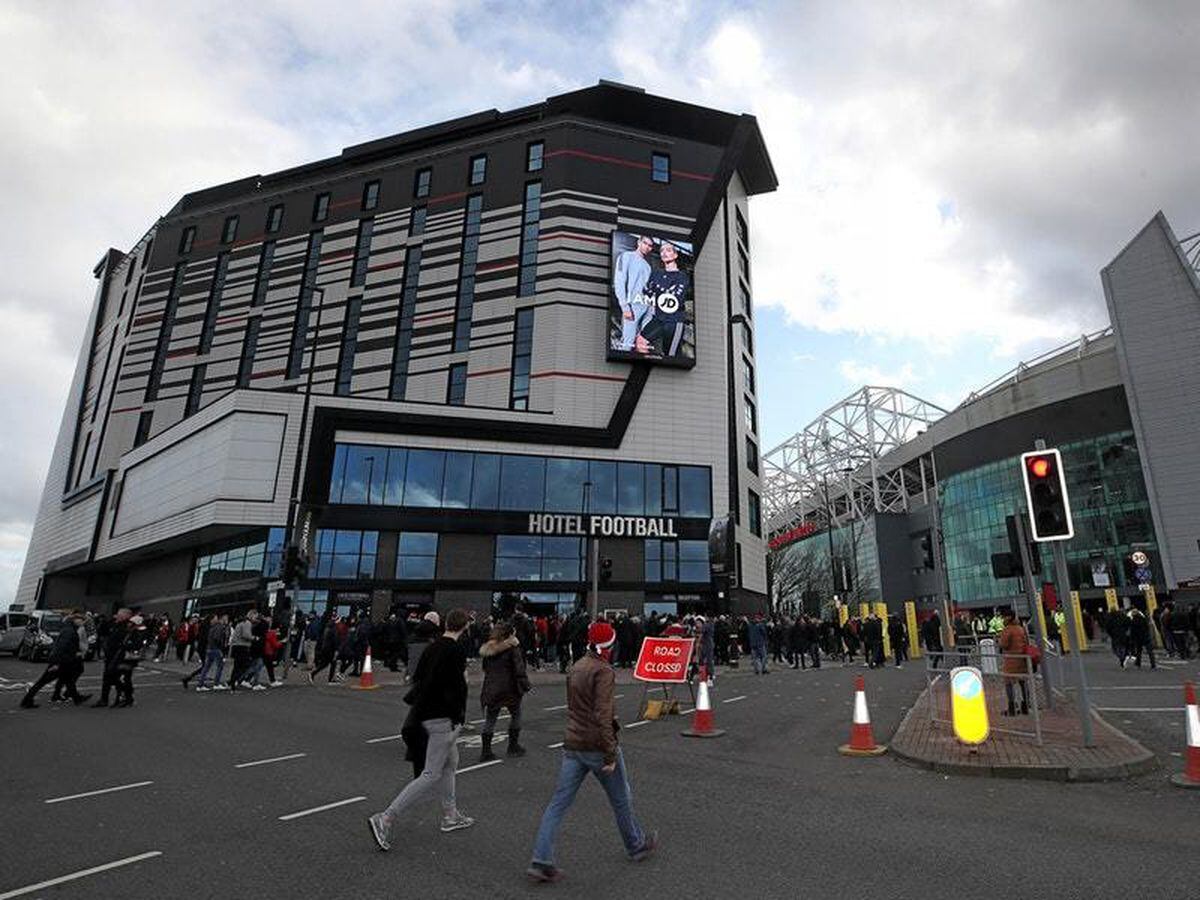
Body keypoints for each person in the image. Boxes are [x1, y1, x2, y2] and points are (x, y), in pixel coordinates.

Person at [525, 621, 657, 883]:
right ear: (608, 646)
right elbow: (603, 714)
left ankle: (541, 859)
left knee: (558, 803)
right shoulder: (603, 671)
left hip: (573, 744)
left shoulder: (577, 667)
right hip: (597, 744)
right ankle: (636, 845)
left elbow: (574, 707)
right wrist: (609, 753)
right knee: (621, 798)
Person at [367, 609, 475, 851]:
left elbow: (420, 678)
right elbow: (457, 687)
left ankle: (450, 814)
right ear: (465, 627)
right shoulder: (456, 650)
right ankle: (385, 818)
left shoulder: (433, 647)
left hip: (425, 713)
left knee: (450, 764)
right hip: (443, 717)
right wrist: (458, 717)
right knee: (432, 773)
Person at [478, 621, 531, 763]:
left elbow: (485, 668)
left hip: (491, 687)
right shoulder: (513, 649)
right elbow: (519, 669)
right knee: (516, 714)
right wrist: (525, 685)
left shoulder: (489, 650)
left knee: (491, 718)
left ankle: (486, 751)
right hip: (510, 687)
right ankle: (513, 746)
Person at [20, 610, 90, 708]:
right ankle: (26, 701)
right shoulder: (69, 631)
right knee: (43, 681)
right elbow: (61, 647)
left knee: (68, 680)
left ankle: (76, 698)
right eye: (81, 620)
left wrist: (74, 653)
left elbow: (67, 647)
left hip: (64, 661)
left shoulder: (69, 629)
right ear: (75, 620)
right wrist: (56, 663)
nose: (83, 622)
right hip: (61, 661)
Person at [636, 241, 690, 358]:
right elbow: (647, 292)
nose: (664, 253)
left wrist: (657, 289)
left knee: (670, 356)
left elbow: (674, 298)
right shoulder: (656, 273)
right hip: (658, 319)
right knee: (640, 342)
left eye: (668, 250)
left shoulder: (682, 276)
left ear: (675, 255)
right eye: (662, 251)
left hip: (674, 322)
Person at [613, 234, 654, 351]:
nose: (647, 247)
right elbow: (619, 281)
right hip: (633, 306)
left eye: (650, 246)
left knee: (643, 344)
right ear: (639, 242)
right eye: (645, 243)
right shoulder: (626, 256)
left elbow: (648, 288)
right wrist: (625, 307)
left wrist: (651, 307)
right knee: (628, 343)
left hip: (647, 308)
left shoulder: (648, 267)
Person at [93, 608, 133, 707]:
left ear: (125, 616)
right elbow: (103, 630)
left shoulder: (127, 627)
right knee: (107, 678)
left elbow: (128, 643)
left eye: (119, 615)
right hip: (111, 656)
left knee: (115, 678)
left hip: (119, 657)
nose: (117, 616)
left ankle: (126, 697)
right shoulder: (116, 625)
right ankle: (104, 699)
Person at [998, 612, 1030, 716]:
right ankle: (1026, 705)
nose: (1003, 619)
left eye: (1004, 617)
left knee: (1009, 683)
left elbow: (1004, 644)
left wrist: (1000, 640)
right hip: (1022, 659)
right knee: (1023, 682)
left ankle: (1012, 708)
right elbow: (1027, 642)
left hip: (1011, 659)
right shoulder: (1020, 628)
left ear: (1009, 617)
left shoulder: (1008, 630)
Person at [192, 614, 230, 691]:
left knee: (206, 667)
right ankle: (216, 683)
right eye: (226, 619)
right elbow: (217, 638)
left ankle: (200, 684)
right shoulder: (219, 627)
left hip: (210, 648)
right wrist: (221, 646)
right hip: (216, 648)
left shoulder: (212, 627)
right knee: (220, 666)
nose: (227, 620)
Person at [227, 611, 257, 691]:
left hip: (236, 646)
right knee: (245, 665)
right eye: (255, 617)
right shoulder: (247, 623)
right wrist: (254, 638)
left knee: (237, 666)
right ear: (251, 616)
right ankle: (235, 680)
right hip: (242, 646)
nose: (256, 619)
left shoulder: (240, 622)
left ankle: (232, 682)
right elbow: (246, 635)